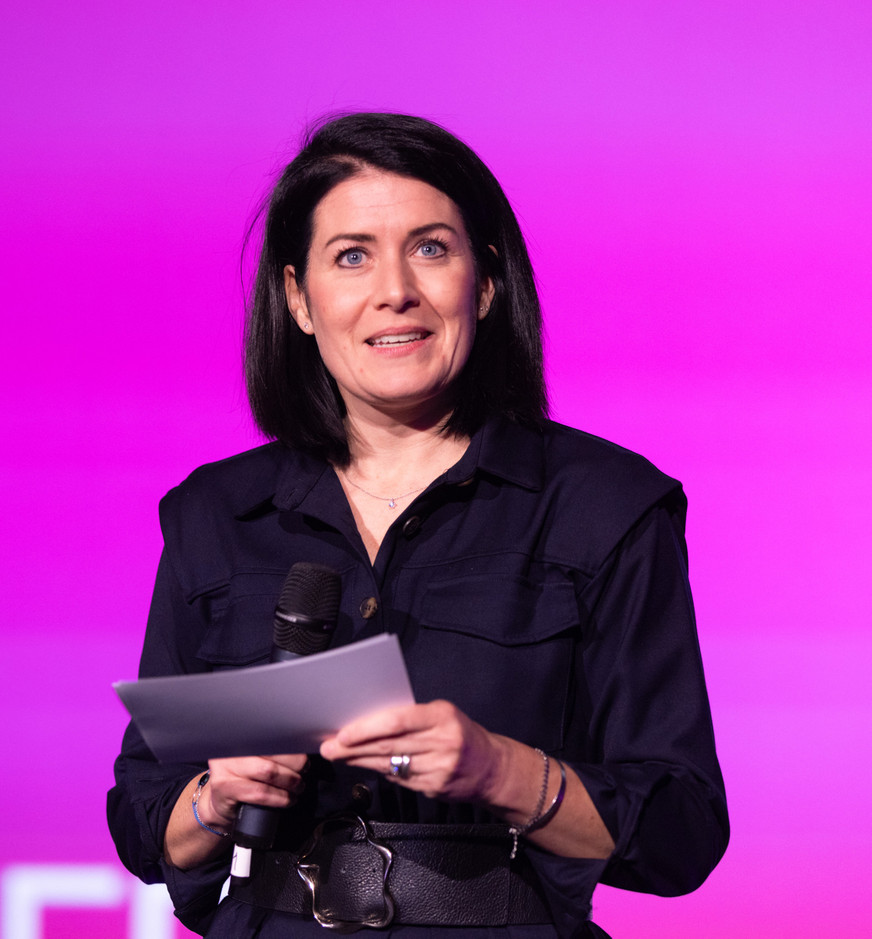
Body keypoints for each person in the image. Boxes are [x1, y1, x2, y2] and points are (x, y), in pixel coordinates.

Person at [108, 112, 728, 938]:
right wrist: (214, 798)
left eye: (431, 249)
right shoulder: (215, 514)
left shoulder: (605, 505)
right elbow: (143, 815)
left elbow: (683, 829)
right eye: (351, 255)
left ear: (487, 281)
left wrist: (503, 771)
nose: (394, 289)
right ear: (298, 298)